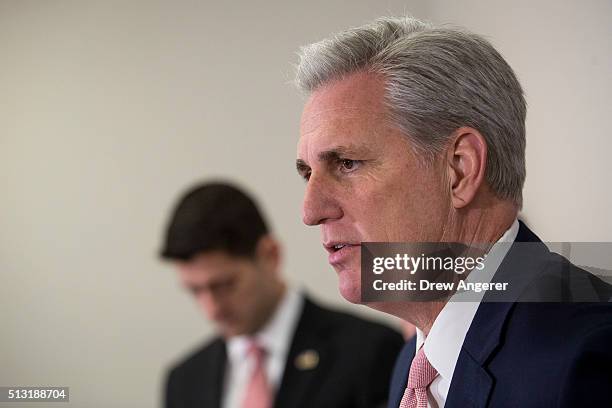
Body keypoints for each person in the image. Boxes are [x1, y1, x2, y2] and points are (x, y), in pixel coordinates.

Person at [293, 16, 612, 407]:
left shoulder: (588, 358)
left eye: (346, 163)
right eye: (307, 173)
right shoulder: (412, 367)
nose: (310, 211)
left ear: (459, 169)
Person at [160, 181, 404, 408]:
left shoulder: (370, 351)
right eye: (195, 291)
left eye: (225, 285)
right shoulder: (184, 381)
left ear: (270, 255)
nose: (211, 309)